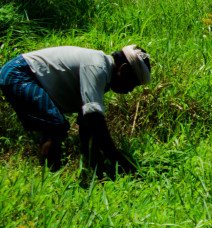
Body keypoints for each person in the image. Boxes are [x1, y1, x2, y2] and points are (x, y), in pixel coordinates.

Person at [0, 45, 151, 174]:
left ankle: (52, 174)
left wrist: (97, 166)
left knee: (54, 125)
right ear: (123, 70)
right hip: (19, 73)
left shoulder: (102, 74)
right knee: (56, 126)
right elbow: (94, 117)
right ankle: (50, 177)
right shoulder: (97, 67)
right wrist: (115, 156)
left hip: (20, 73)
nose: (130, 90)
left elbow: (87, 124)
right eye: (132, 83)